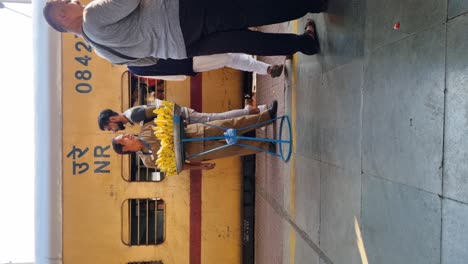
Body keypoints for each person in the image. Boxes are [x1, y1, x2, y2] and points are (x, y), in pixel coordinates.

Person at [43, 0, 325, 66]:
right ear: (63, 16)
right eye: (64, 3)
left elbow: (146, 62)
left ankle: (305, 44)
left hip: (180, 48)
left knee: (245, 40)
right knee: (244, 10)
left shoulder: (100, 51)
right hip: (180, 16)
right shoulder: (92, 15)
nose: (71, 0)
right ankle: (309, 3)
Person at [111, 101, 277, 171]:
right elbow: (178, 167)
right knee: (234, 149)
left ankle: (266, 117)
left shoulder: (146, 129)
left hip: (196, 131)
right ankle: (265, 146)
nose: (127, 135)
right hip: (198, 152)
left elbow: (166, 114)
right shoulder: (148, 161)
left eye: (125, 134)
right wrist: (200, 167)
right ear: (125, 148)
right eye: (124, 138)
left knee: (232, 124)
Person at [98, 99, 269, 132]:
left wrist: (178, 120)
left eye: (109, 128)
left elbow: (161, 109)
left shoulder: (134, 116)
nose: (113, 131)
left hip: (183, 116)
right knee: (217, 119)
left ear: (112, 119)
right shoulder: (131, 115)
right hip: (182, 116)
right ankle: (255, 112)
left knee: (217, 119)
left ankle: (254, 111)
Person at [128, 53, 284, 80]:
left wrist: (182, 74)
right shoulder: (134, 66)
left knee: (229, 56)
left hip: (188, 63)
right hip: (188, 57)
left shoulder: (134, 69)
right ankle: (268, 68)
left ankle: (267, 68)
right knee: (228, 57)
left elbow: (164, 76)